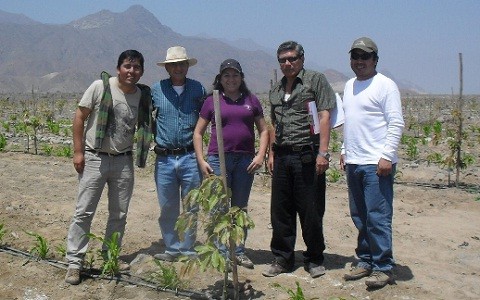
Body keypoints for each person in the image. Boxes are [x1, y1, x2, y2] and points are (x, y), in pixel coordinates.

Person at [65, 49, 153, 285]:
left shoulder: (142, 96)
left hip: (124, 160)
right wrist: (78, 151)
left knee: (119, 214)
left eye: (136, 68)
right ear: (118, 68)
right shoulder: (100, 87)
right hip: (95, 158)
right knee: (84, 211)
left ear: (142, 71)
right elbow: (80, 117)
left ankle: (109, 256)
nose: (131, 71)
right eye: (127, 66)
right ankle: (75, 262)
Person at [263, 41, 336, 278]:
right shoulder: (276, 89)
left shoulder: (315, 81)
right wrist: (272, 153)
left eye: (292, 58)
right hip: (283, 154)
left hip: (307, 153)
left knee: (311, 209)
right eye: (282, 60)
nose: (287, 63)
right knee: (281, 210)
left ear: (302, 58)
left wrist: (323, 153)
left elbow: (324, 116)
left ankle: (314, 258)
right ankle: (282, 258)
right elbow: (273, 123)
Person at [340, 37, 404, 288]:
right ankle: (365, 260)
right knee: (360, 215)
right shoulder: (349, 86)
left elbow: (396, 122)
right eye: (355, 56)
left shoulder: (385, 85)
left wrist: (387, 155)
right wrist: (345, 149)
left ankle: (383, 266)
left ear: (375, 60)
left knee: (378, 216)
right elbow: (349, 121)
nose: (359, 61)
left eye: (364, 56)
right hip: (355, 161)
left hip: (376, 163)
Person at [193, 59, 269, 269]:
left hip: (245, 160)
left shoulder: (251, 100)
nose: (231, 79)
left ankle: (239, 251)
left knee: (240, 207)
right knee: (219, 207)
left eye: (235, 75)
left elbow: (264, 130)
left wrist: (260, 155)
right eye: (226, 75)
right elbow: (198, 133)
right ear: (220, 79)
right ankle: (220, 252)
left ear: (241, 77)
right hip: (220, 159)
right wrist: (201, 160)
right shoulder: (213, 101)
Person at [151, 46, 206, 261]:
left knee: (191, 206)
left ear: (187, 66)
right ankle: (172, 248)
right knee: (167, 207)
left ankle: (188, 248)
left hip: (190, 156)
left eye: (181, 64)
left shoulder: (198, 89)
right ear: (167, 68)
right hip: (164, 158)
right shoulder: (157, 90)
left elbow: (206, 118)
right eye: (173, 64)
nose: (178, 68)